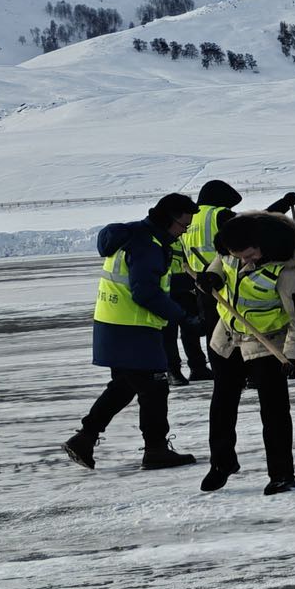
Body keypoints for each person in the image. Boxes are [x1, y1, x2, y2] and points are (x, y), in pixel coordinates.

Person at [65, 193, 200, 471]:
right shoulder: (147, 245)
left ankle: (85, 437)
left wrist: (189, 282)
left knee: (125, 385)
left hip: (114, 326)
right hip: (134, 329)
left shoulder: (134, 236)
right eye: (183, 226)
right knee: (154, 389)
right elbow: (145, 292)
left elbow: (148, 279)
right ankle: (156, 450)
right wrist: (183, 316)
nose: (183, 233)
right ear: (169, 220)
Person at [200, 210, 295, 494]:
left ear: (265, 244)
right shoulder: (233, 248)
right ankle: (222, 463)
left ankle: (281, 474)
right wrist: (211, 278)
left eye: (249, 255)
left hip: (268, 344)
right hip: (227, 339)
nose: (244, 261)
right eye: (238, 256)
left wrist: (294, 357)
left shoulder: (289, 269)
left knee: (274, 412)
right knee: (222, 406)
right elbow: (220, 264)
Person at [175, 179, 241, 380]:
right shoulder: (219, 215)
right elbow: (247, 232)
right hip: (224, 281)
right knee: (234, 326)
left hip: (199, 282)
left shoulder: (189, 218)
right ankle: (239, 370)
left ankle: (209, 368)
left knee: (211, 329)